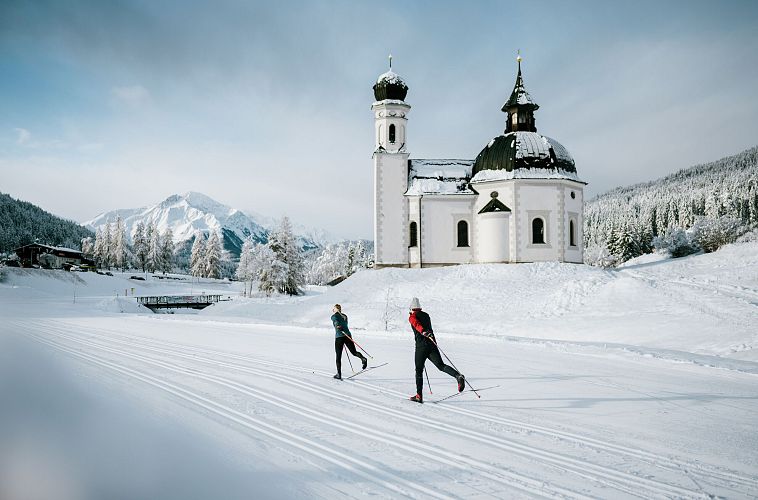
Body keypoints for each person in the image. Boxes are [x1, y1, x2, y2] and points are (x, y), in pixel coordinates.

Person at [407, 297, 465, 403]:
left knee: (419, 370)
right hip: (432, 344)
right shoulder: (427, 315)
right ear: (420, 307)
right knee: (441, 366)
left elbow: (416, 324)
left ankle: (419, 396)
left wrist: (423, 332)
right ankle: (458, 376)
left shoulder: (412, 317)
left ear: (411, 308)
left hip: (421, 347)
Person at [331, 304, 367, 379]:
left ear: (337, 309)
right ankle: (363, 358)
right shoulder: (345, 316)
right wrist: (340, 326)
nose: (332, 310)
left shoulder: (334, 316)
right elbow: (345, 324)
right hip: (347, 336)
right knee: (354, 352)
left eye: (333, 308)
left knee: (338, 356)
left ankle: (339, 374)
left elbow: (336, 322)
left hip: (339, 337)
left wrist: (338, 326)